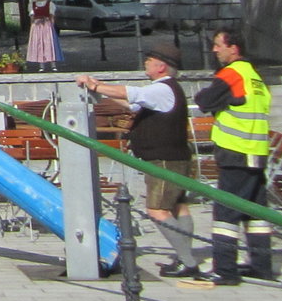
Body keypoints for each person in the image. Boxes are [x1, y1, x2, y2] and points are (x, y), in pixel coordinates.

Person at [77, 45, 199, 278]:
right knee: (179, 207)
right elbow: (132, 103)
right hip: (174, 157)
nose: (145, 63)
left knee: (157, 210)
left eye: (149, 59)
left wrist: (94, 85)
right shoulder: (163, 90)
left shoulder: (162, 89)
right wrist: (100, 88)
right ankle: (185, 256)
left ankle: (188, 261)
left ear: (161, 66)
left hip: (164, 160)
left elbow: (130, 93)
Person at [193, 29, 273, 286]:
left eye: (218, 45)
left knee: (226, 212)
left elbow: (205, 100)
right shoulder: (256, 78)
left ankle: (225, 269)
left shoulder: (232, 74)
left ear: (233, 48)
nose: (215, 50)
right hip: (257, 152)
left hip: (236, 152)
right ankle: (262, 267)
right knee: (256, 213)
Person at [26, 0, 60, 72]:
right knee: (39, 44)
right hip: (37, 26)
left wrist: (52, 27)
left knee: (49, 44)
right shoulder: (32, 5)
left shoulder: (49, 4)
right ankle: (41, 65)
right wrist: (32, 27)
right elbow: (32, 18)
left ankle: (53, 64)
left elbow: (52, 17)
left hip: (47, 25)